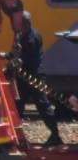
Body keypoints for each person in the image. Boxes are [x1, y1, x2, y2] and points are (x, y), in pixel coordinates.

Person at [13, 12, 63, 147]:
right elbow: (18, 52)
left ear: (26, 24)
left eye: (20, 23)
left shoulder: (32, 38)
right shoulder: (22, 35)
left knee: (43, 105)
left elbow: (31, 60)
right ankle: (16, 138)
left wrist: (18, 61)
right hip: (24, 77)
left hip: (34, 76)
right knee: (17, 106)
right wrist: (8, 55)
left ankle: (55, 136)